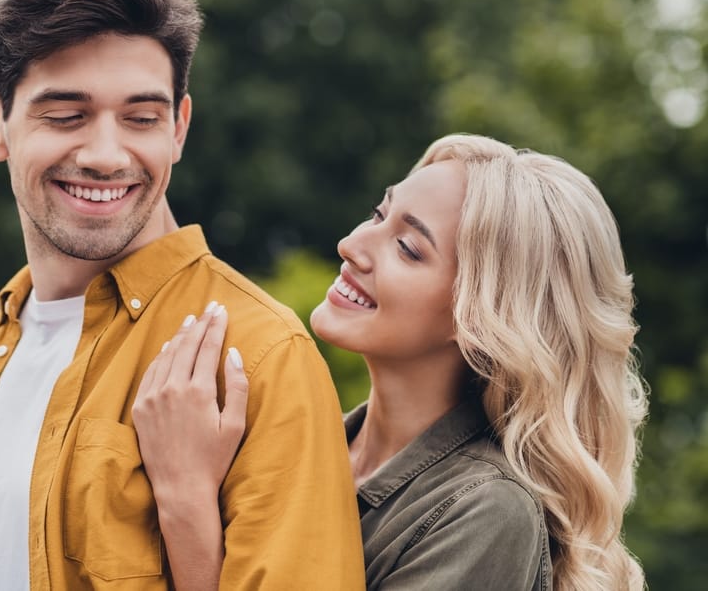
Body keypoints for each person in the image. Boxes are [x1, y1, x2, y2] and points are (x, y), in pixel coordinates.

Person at [0, 0, 364, 591]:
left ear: (178, 126)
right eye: (67, 115)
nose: (105, 154)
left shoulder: (261, 357)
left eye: (141, 117)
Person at [133, 134, 648, 590]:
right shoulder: (301, 444)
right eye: (379, 215)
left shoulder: (488, 513)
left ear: (481, 314)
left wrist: (186, 500)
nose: (352, 244)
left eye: (406, 247)